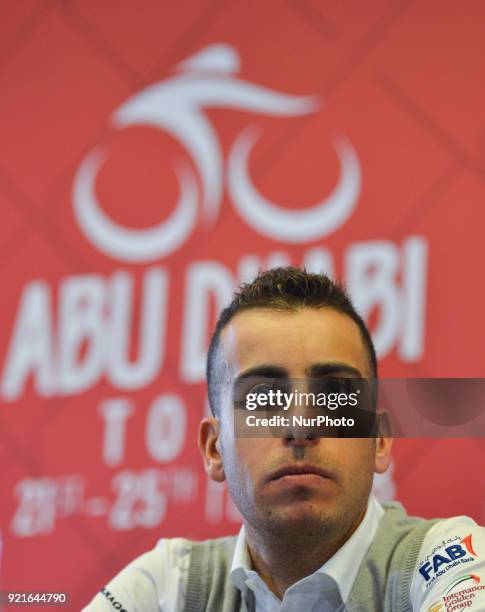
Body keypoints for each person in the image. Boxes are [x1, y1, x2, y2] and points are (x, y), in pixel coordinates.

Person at [84, 267, 485, 611]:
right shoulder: (167, 588)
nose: (300, 427)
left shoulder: (449, 560)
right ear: (213, 448)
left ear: (378, 440)